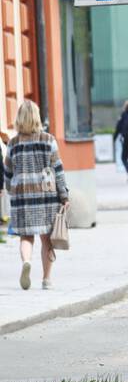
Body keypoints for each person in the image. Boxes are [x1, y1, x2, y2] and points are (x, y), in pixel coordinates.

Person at [2, 100, 68, 290]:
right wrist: (64, 195)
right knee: (46, 238)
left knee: (26, 236)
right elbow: (58, 170)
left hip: (22, 197)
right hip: (46, 198)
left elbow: (7, 171)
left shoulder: (13, 144)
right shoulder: (49, 140)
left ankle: (26, 262)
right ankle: (47, 280)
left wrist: (9, 189)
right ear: (37, 117)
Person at [114, 99, 128, 179]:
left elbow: (118, 128)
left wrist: (114, 138)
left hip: (126, 138)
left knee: (124, 157)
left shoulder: (124, 115)